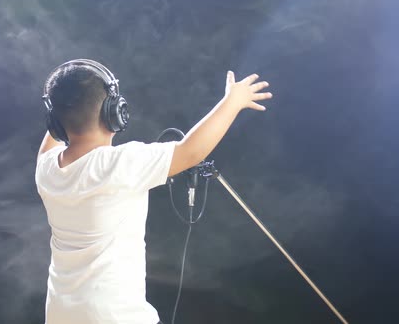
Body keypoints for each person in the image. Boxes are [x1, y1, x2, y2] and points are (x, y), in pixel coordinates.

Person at [35, 59, 272, 324]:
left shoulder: (46, 169)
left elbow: (55, 132)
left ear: (55, 121)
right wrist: (233, 102)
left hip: (61, 315)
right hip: (116, 316)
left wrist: (61, 102)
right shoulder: (119, 164)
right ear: (115, 112)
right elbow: (191, 150)